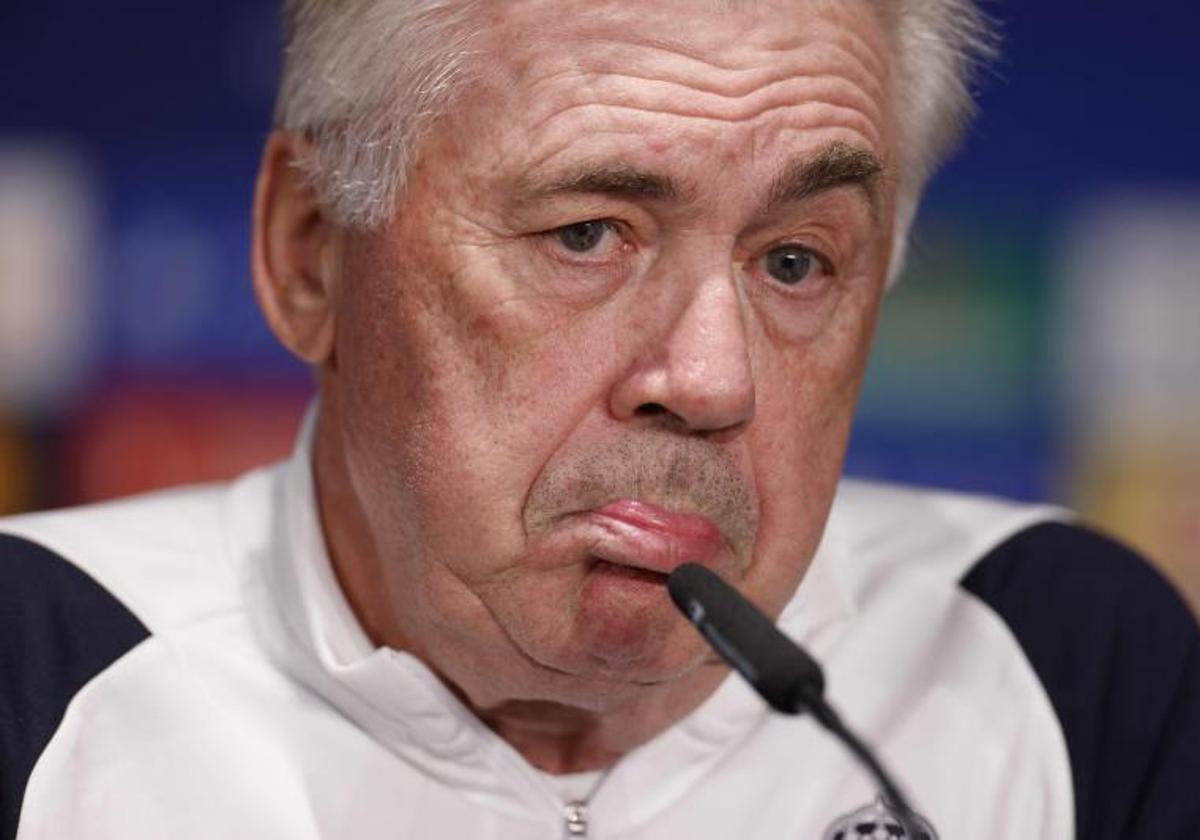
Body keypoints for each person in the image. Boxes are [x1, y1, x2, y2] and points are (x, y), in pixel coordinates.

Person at [2, 1, 1197, 837]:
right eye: (586, 235)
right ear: (310, 251)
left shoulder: (1059, 667)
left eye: (794, 261)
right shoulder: (39, 678)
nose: (713, 379)